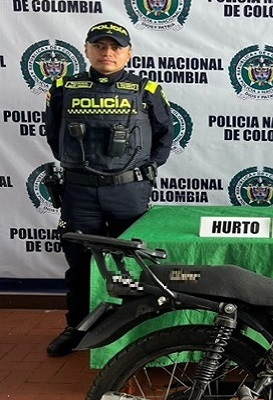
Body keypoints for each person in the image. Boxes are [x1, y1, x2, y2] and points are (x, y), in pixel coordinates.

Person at [44, 21, 173, 357]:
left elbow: (164, 137)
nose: (108, 53)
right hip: (80, 192)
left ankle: (133, 335)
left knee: (133, 264)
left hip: (127, 192)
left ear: (129, 53)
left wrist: (140, 172)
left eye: (116, 47)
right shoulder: (64, 88)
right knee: (80, 264)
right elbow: (55, 136)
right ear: (87, 50)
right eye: (99, 46)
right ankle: (76, 329)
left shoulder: (147, 90)